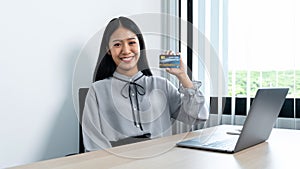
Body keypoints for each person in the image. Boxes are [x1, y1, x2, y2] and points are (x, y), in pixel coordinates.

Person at [82, 16, 209, 151]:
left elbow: (199, 116)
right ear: (108, 49)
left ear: (140, 45)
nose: (126, 50)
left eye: (131, 43)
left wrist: (183, 77)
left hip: (162, 160)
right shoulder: (98, 90)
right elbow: (94, 142)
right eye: (117, 44)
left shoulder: (161, 85)